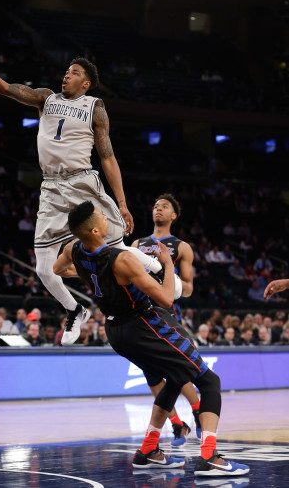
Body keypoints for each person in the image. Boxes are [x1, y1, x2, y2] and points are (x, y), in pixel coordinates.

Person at [0, 34, 166, 348]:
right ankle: (75, 309)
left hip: (82, 181)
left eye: (75, 72)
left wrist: (122, 202)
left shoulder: (95, 108)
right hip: (50, 187)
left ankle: (156, 268)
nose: (67, 74)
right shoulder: (45, 98)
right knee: (43, 268)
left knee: (112, 250)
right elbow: (4, 88)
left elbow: (107, 157)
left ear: (87, 83)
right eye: (67, 70)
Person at [53, 201, 249, 476]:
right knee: (209, 381)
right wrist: (168, 264)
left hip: (116, 333)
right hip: (145, 324)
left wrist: (91, 275)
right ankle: (209, 457)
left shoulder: (72, 249)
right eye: (102, 217)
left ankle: (147, 451)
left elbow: (57, 270)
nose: (108, 219)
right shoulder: (122, 259)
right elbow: (167, 298)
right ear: (96, 231)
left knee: (177, 379)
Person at [131, 194, 201, 445]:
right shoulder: (137, 244)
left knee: (177, 370)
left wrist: (166, 276)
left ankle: (197, 412)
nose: (158, 208)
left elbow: (190, 288)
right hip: (138, 312)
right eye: (155, 205)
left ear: (174, 216)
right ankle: (177, 424)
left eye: (165, 207)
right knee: (151, 376)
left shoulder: (181, 247)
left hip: (165, 311)